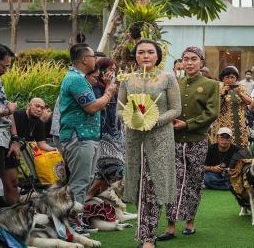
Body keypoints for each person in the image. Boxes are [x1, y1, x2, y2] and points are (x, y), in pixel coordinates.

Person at [117, 40, 181, 248]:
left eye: (150, 52)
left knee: (153, 186)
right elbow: (119, 108)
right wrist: (131, 118)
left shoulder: (168, 79)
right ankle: (145, 233)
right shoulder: (127, 79)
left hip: (160, 138)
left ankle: (148, 237)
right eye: (141, 52)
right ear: (135, 56)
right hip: (135, 138)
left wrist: (154, 120)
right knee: (137, 185)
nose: (146, 56)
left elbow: (176, 110)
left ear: (158, 55)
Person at [160, 46, 219, 241]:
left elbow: (212, 113)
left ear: (201, 62)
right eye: (185, 59)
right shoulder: (175, 83)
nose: (189, 62)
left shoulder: (211, 85)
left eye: (194, 59)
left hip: (197, 141)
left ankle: (190, 222)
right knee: (174, 183)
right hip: (174, 141)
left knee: (193, 182)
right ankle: (170, 226)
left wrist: (188, 124)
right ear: (181, 62)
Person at [58, 43, 117, 207]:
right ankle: (72, 222)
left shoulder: (79, 78)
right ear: (85, 59)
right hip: (79, 137)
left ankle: (77, 219)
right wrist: (108, 92)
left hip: (87, 136)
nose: (95, 60)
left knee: (86, 179)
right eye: (93, 57)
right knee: (80, 181)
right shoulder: (76, 79)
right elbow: (91, 107)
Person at [85, 58, 125, 201]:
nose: (113, 72)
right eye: (110, 69)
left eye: (114, 70)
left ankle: (103, 205)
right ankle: (92, 196)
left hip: (115, 132)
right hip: (103, 133)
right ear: (101, 70)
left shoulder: (112, 85)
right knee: (113, 167)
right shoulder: (96, 87)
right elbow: (100, 107)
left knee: (105, 171)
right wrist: (108, 86)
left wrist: (115, 87)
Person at [0, 43, 21, 206]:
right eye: (4, 66)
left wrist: (15, 139)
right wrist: (6, 111)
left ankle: (16, 223)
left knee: (13, 181)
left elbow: (8, 108)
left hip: (6, 136)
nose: (5, 70)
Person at [210, 66, 252, 148]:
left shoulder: (241, 88)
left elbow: (249, 102)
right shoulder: (218, 88)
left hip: (239, 124)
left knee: (240, 147)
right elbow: (215, 106)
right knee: (222, 147)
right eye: (227, 77)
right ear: (222, 78)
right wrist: (223, 94)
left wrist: (239, 93)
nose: (230, 80)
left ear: (236, 78)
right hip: (222, 124)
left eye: (232, 77)